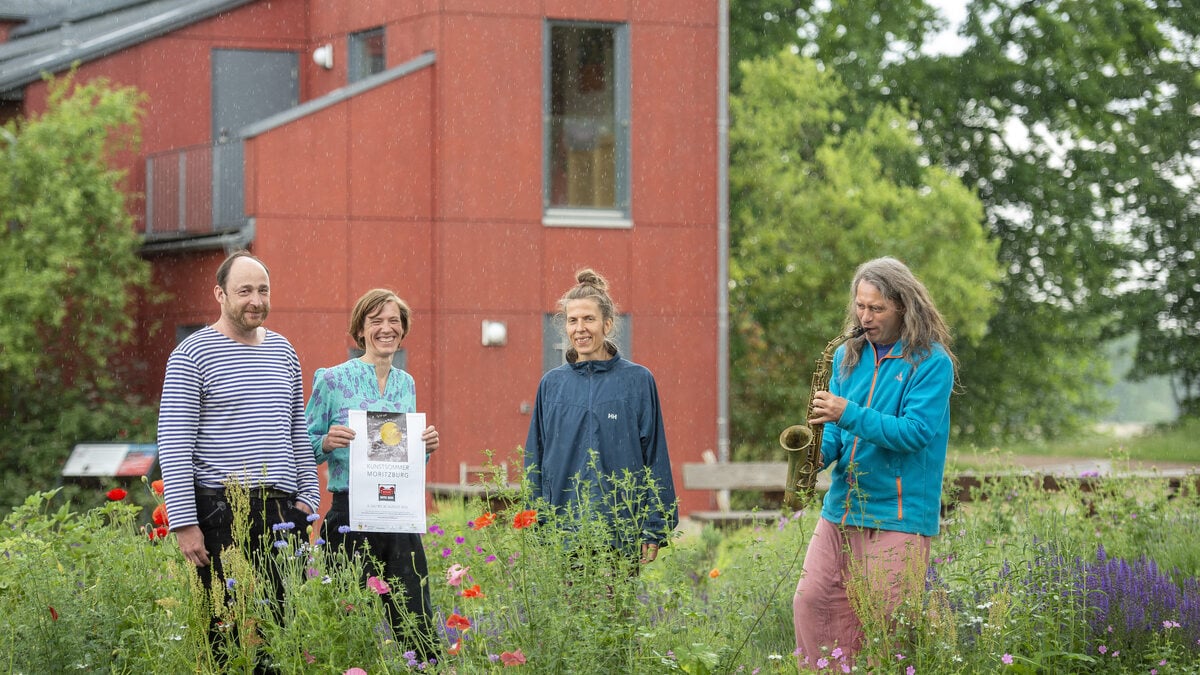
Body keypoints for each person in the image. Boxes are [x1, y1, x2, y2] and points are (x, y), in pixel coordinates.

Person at [791, 256, 957, 669]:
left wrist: (845, 411)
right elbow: (834, 432)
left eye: (876, 308)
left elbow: (914, 433)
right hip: (841, 509)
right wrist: (816, 455)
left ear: (903, 305)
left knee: (884, 626)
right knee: (811, 601)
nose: (865, 317)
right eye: (861, 306)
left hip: (898, 515)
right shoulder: (847, 355)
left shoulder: (932, 362)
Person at [157, 250, 320, 668]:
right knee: (221, 631)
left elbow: (297, 431)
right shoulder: (192, 354)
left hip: (283, 512)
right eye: (244, 290)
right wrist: (185, 523)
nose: (255, 300)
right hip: (219, 510)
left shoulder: (284, 351)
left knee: (283, 631)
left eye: (263, 290)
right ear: (219, 293)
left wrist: (309, 498)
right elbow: (174, 443)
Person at [305, 289, 440, 660]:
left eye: (394, 320)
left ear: (403, 329)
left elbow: (403, 464)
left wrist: (424, 449)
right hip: (350, 515)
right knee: (347, 621)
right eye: (376, 321)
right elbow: (302, 445)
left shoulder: (406, 384)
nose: (386, 328)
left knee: (416, 621)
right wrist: (327, 443)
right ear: (360, 330)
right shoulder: (331, 380)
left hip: (398, 515)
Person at [524, 268, 678, 565]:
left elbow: (655, 456)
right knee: (567, 611)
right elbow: (535, 458)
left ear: (607, 324)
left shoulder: (637, 381)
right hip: (563, 533)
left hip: (622, 533)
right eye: (572, 320)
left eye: (588, 319)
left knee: (615, 611)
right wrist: (537, 524)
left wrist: (655, 526)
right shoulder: (552, 385)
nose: (579, 328)